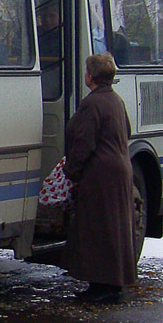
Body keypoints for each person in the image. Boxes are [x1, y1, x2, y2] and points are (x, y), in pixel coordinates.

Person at [61, 52, 137, 303]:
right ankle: (112, 282)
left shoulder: (92, 103)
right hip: (119, 169)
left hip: (100, 174)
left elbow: (84, 142)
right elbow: (126, 130)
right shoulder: (115, 100)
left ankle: (102, 286)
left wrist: (72, 170)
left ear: (90, 76)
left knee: (98, 229)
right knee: (115, 228)